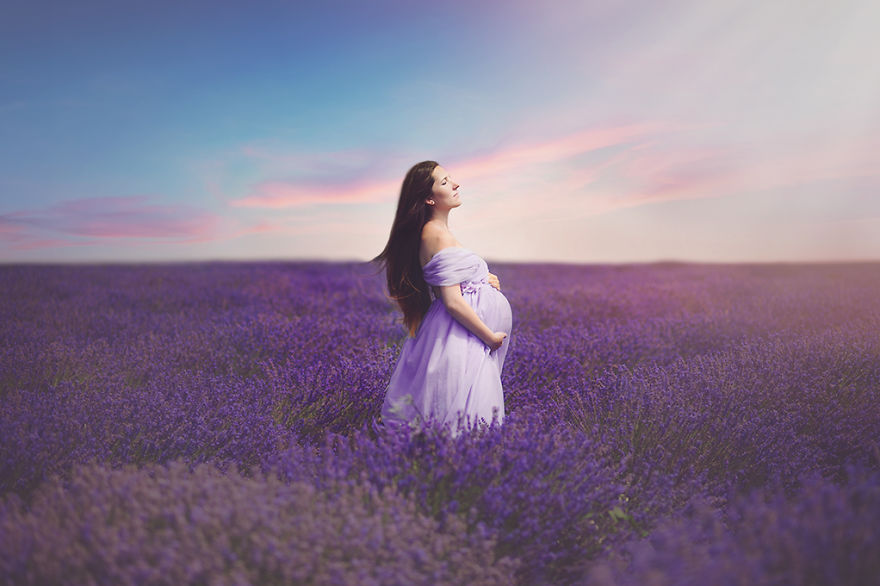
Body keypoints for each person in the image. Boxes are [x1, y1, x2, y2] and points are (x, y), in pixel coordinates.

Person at [374, 161, 513, 436]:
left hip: (461, 336)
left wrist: (482, 279)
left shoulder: (437, 233)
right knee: (462, 424)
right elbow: (451, 300)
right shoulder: (435, 234)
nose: (456, 184)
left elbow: (450, 282)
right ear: (429, 197)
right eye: (445, 182)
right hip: (461, 338)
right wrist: (490, 337)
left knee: (457, 422)